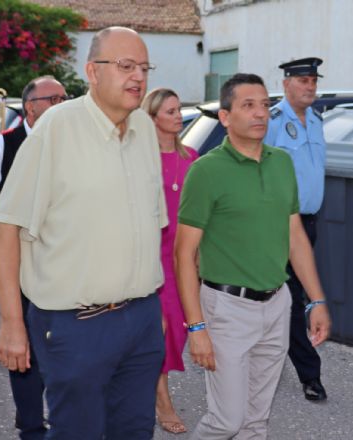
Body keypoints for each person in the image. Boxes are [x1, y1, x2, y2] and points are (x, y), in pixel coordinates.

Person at [0, 26, 166, 439]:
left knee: (136, 432)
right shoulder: (57, 127)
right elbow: (5, 226)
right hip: (76, 325)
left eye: (143, 67)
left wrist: (150, 313)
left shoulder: (143, 129)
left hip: (140, 320)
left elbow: (149, 228)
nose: (137, 77)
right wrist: (12, 324)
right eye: (125, 66)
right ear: (92, 71)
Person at [175, 73, 331, 439]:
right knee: (225, 420)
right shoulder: (206, 171)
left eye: (264, 104)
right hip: (226, 308)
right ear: (226, 117)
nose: (260, 113)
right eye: (248, 105)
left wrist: (316, 300)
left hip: (277, 304)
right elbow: (184, 255)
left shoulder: (281, 163)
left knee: (256, 423)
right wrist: (196, 328)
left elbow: (295, 237)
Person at [0, 75, 68, 440]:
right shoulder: (2, 147)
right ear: (30, 106)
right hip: (18, 269)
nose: (61, 105)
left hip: (64, 267)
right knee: (23, 349)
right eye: (53, 98)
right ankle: (31, 425)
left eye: (64, 98)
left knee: (65, 347)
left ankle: (64, 419)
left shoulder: (72, 145)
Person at [264, 57, 328, 402]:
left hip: (310, 222)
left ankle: (267, 361)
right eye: (303, 80)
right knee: (290, 298)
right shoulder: (273, 120)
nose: (310, 87)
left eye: (313, 81)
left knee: (292, 297)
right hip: (281, 223)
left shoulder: (317, 121)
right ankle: (310, 373)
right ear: (286, 84)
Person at [142, 87, 198, 434]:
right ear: (152, 118)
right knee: (158, 329)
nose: (178, 116)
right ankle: (162, 399)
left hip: (185, 257)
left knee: (180, 327)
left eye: (179, 110)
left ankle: (144, 384)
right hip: (152, 254)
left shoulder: (192, 156)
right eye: (170, 111)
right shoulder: (141, 159)